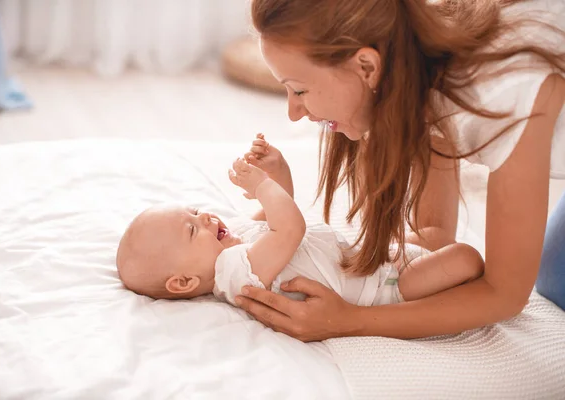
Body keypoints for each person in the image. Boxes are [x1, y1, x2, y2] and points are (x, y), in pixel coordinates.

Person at [232, 0, 565, 341]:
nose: (294, 112)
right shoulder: (416, 65)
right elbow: (433, 233)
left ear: (366, 66)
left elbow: (505, 294)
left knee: (556, 282)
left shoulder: (503, 95)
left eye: (299, 89)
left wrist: (349, 320)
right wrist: (334, 264)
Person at [115, 135, 483, 309]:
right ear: (184, 282)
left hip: (371, 258)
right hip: (386, 287)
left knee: (432, 236)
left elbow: (276, 213)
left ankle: (439, 142)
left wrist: (275, 172)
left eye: (194, 211)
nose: (205, 216)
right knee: (466, 257)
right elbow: (290, 229)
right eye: (193, 228)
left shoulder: (233, 243)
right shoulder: (236, 276)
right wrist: (260, 186)